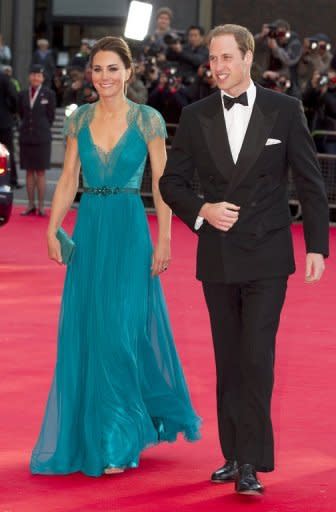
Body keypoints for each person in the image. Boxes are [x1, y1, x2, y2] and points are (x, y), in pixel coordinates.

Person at [160, 24, 329, 495]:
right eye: (212, 59)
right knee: (229, 359)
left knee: (256, 357)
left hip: (268, 255)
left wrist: (317, 245)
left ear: (248, 56)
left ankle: (251, 462)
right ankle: (233, 454)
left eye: (225, 57)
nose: (216, 67)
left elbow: (310, 181)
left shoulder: (285, 109)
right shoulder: (195, 116)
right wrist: (203, 210)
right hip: (218, 255)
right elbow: (171, 184)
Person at [30, 36, 200, 477]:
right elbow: (68, 178)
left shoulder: (149, 120)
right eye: (97, 69)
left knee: (121, 334)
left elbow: (163, 183)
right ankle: (105, 433)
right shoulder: (79, 118)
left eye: (112, 69)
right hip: (90, 231)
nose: (104, 77)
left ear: (129, 72)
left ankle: (119, 439)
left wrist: (164, 240)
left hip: (129, 231)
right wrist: (52, 227)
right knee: (92, 332)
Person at [18, 64, 56, 216]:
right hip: (26, 136)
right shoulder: (22, 94)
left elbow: (51, 117)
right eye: (33, 75)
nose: (35, 78)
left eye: (38, 75)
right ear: (29, 77)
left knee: (40, 172)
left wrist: (41, 127)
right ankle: (30, 204)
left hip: (42, 138)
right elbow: (21, 113)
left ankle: (41, 206)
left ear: (42, 78)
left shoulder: (49, 94)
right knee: (28, 172)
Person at [0, 69, 18, 187]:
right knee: (8, 151)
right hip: (4, 120)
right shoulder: (4, 78)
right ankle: (11, 179)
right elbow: (13, 96)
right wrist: (12, 111)